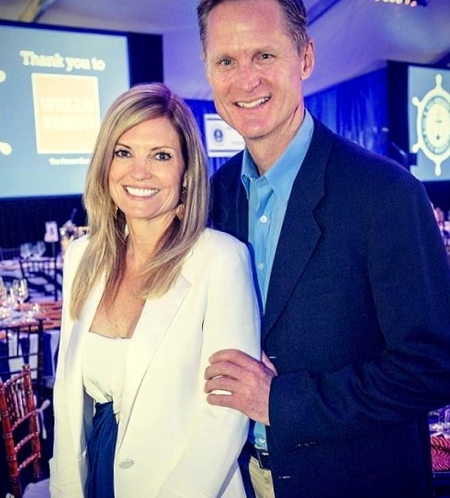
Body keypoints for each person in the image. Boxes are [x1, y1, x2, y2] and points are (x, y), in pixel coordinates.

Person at [196, 1, 450, 497]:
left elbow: (434, 365)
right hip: (235, 479)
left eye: (265, 56)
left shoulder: (385, 192)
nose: (245, 80)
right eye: (226, 60)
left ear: (305, 59)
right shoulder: (214, 197)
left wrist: (282, 402)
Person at [49, 82, 260, 498]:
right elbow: (69, 400)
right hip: (97, 477)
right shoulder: (81, 258)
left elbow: (225, 417)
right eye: (123, 152)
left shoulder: (221, 260)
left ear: (186, 173)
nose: (138, 171)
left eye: (160, 155)